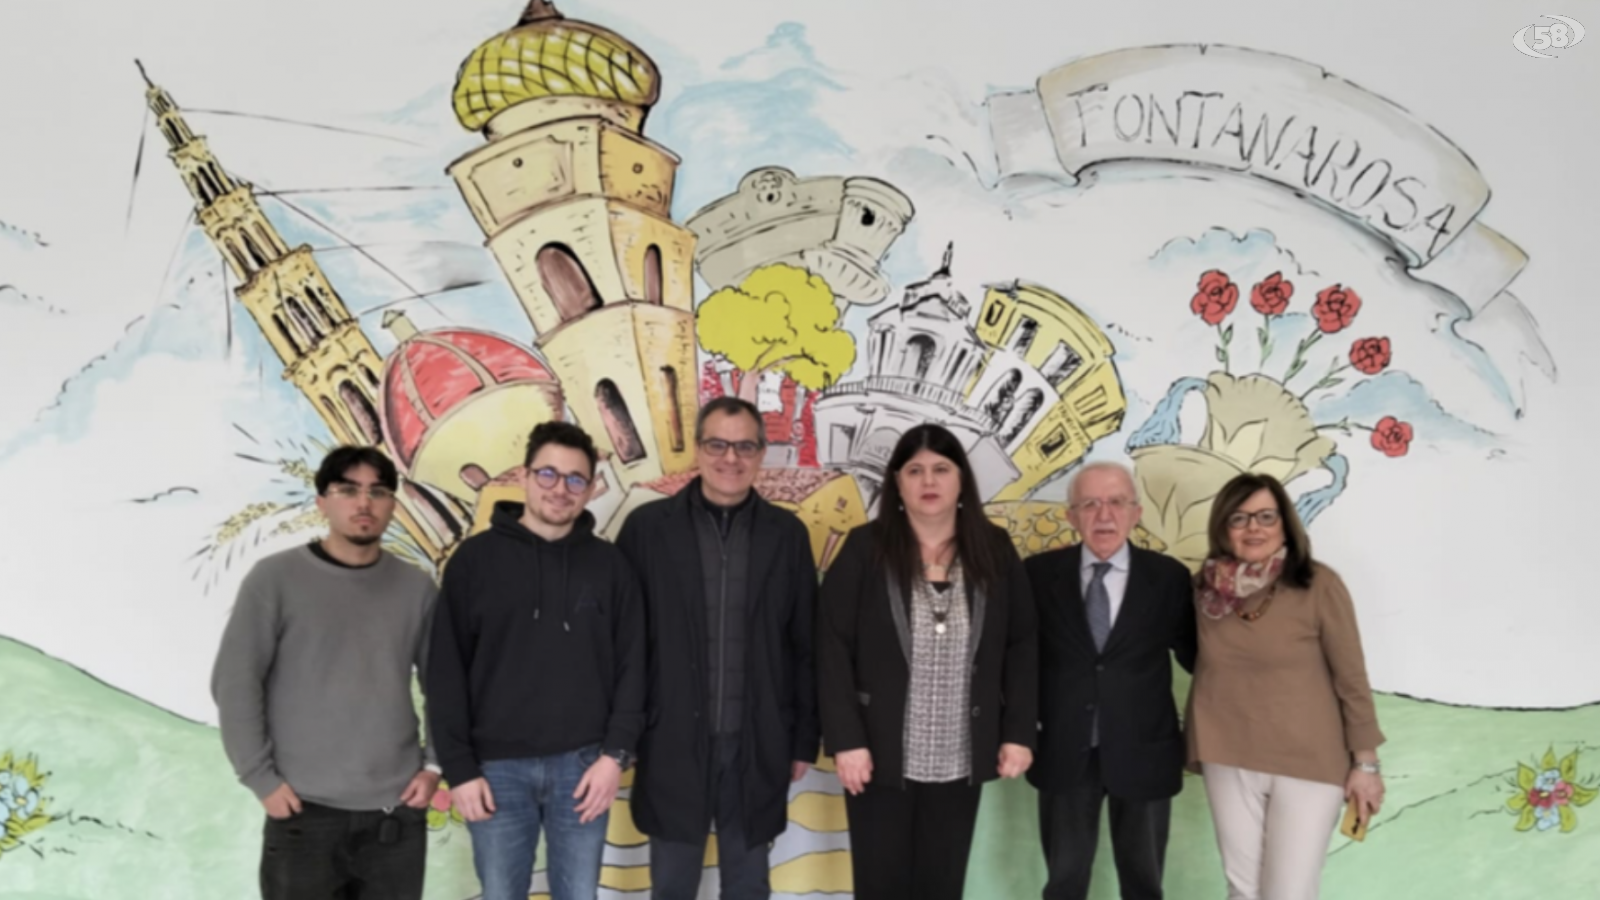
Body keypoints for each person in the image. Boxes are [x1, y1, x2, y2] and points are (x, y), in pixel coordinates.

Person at [816, 423, 1038, 900]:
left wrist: (1018, 732)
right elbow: (830, 647)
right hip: (877, 754)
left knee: (942, 884)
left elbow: (1022, 644)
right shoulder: (866, 548)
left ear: (961, 480)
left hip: (960, 753)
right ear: (897, 483)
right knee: (880, 885)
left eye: (941, 468)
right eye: (914, 470)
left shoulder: (994, 549)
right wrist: (847, 741)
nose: (928, 481)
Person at [425, 422, 645, 900]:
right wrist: (459, 768)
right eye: (548, 474)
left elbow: (634, 667)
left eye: (575, 479)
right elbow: (444, 673)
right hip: (495, 770)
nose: (560, 489)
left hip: (584, 766)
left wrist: (614, 756)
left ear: (590, 487)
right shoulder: (473, 562)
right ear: (525, 476)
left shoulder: (611, 567)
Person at [212, 445, 441, 900]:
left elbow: (445, 684)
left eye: (378, 491)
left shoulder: (417, 588)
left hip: (395, 813)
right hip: (303, 812)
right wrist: (261, 779)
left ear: (392, 504)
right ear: (322, 501)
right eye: (348, 490)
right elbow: (235, 683)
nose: (364, 503)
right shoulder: (274, 580)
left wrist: (434, 764)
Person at [616, 396, 820, 900]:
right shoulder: (647, 530)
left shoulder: (787, 535)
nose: (731, 458)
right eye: (718, 445)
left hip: (757, 739)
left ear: (761, 452)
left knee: (749, 886)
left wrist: (802, 739)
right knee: (672, 886)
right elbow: (623, 644)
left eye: (745, 446)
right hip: (668, 739)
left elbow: (805, 644)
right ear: (699, 449)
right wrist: (623, 734)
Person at [1186, 473, 1385, 900]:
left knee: (1288, 893)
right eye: (1239, 518)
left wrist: (1366, 765)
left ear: (1284, 523)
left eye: (1265, 517)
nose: (1253, 528)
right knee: (1243, 891)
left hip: (1308, 761)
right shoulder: (1204, 591)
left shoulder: (1318, 584)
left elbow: (1351, 678)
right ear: (1223, 527)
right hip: (1227, 754)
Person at [1023, 461, 1197, 900]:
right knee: (1063, 884)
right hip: (1065, 750)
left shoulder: (1169, 578)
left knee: (1144, 885)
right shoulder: (1037, 575)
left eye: (1117, 502)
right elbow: (1017, 660)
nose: (1104, 515)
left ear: (1136, 513)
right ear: (1071, 516)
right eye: (1089, 504)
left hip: (1145, 751)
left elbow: (1201, 658)